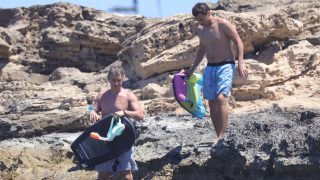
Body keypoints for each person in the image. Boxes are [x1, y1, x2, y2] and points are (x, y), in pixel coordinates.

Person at [186, 3, 248, 145]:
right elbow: (201, 49)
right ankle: (217, 135)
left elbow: (238, 42)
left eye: (202, 19)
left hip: (225, 64)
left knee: (221, 98)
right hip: (210, 67)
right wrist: (192, 69)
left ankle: (221, 136)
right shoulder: (201, 29)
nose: (200, 23)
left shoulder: (222, 24)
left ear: (209, 12)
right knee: (212, 101)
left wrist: (241, 63)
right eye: (198, 20)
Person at [89, 66, 144, 180]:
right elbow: (92, 107)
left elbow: (140, 115)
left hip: (123, 138)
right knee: (103, 175)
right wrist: (92, 112)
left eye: (119, 80)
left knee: (126, 176)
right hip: (104, 138)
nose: (116, 83)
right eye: (113, 80)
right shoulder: (102, 95)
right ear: (108, 79)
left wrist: (124, 112)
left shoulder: (128, 95)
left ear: (123, 79)